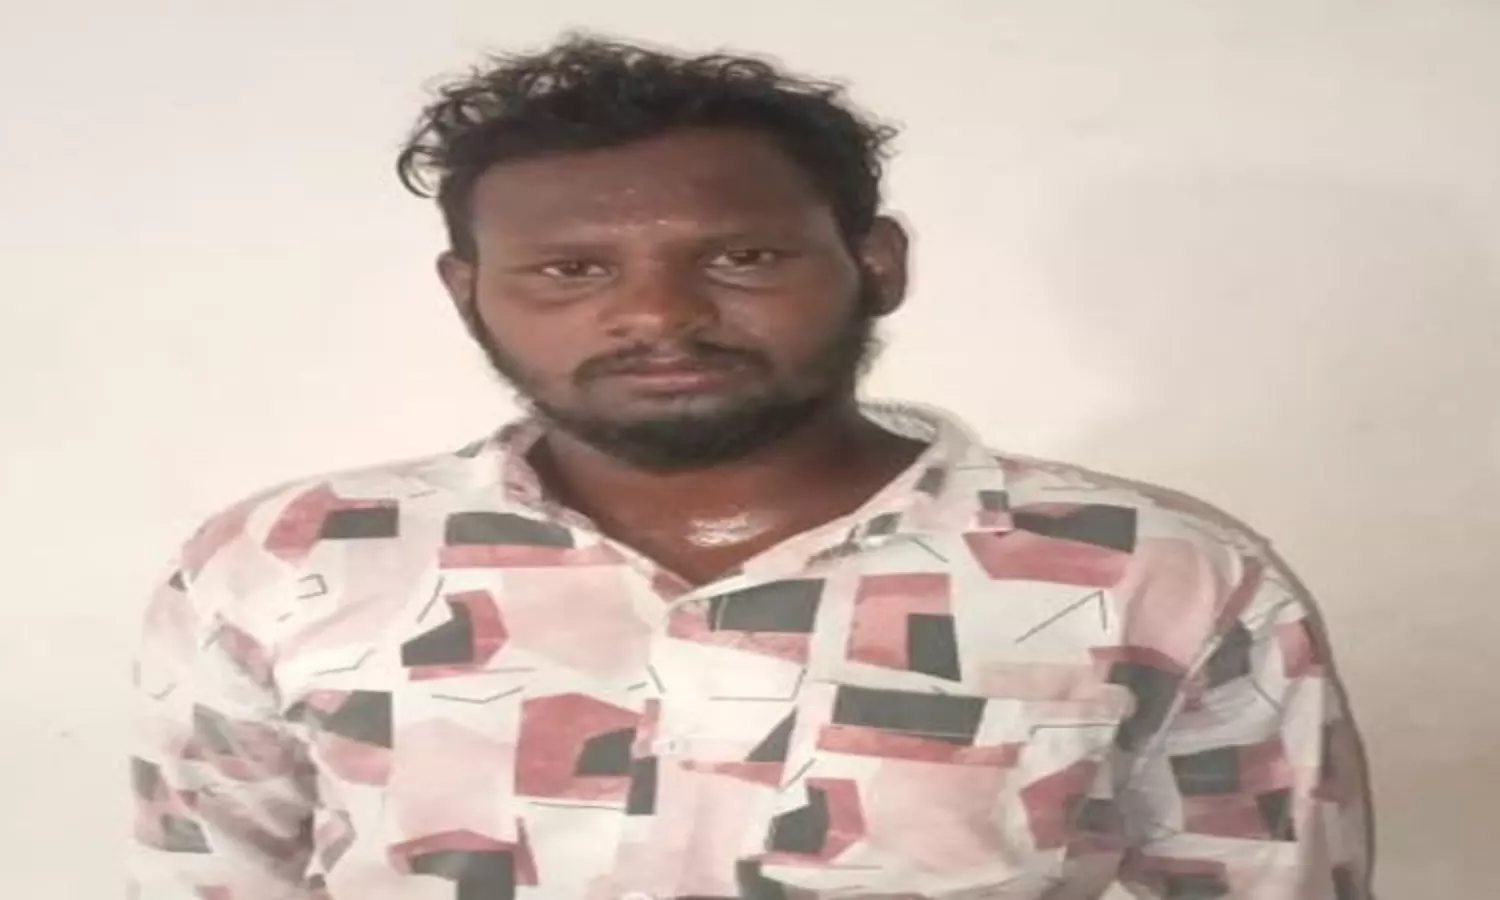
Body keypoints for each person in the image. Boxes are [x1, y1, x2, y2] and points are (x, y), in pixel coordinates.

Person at [127, 36, 1374, 900]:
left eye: (743, 258)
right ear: (468, 293)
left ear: (876, 264)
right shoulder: (289, 567)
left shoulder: (1153, 576)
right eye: (571, 270)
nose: (658, 315)